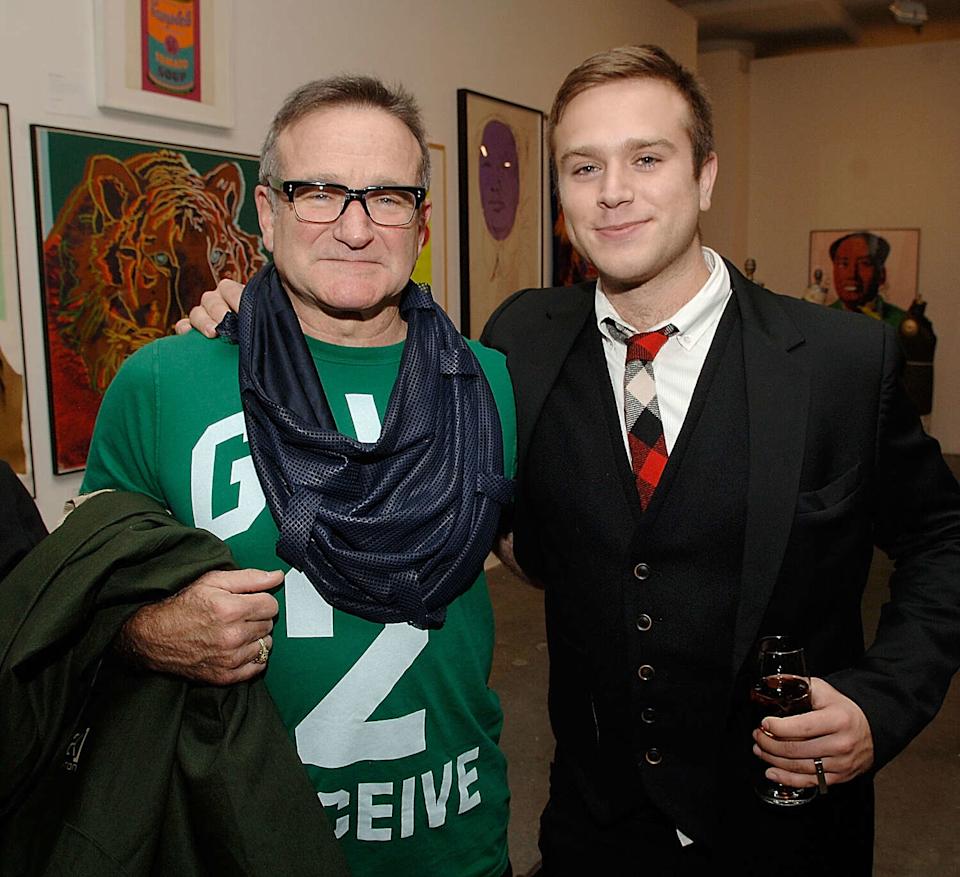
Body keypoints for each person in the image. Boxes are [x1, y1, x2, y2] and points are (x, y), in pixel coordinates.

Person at [479, 46, 960, 874]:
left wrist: (884, 702)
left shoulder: (842, 362)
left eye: (647, 158)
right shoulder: (520, 338)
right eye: (583, 165)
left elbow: (945, 538)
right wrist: (250, 326)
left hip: (786, 825)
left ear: (704, 176)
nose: (613, 191)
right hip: (595, 825)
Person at [83, 75, 516, 877]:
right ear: (267, 209)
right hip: (238, 840)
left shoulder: (489, 382)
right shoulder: (160, 382)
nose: (354, 227)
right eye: (318, 191)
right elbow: (73, 606)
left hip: (453, 842)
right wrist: (149, 632)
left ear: (422, 220)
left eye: (387, 196)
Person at [828, 230, 906, 327]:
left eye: (864, 263)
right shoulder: (821, 320)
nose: (852, 274)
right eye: (844, 264)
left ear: (882, 274)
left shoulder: (903, 324)